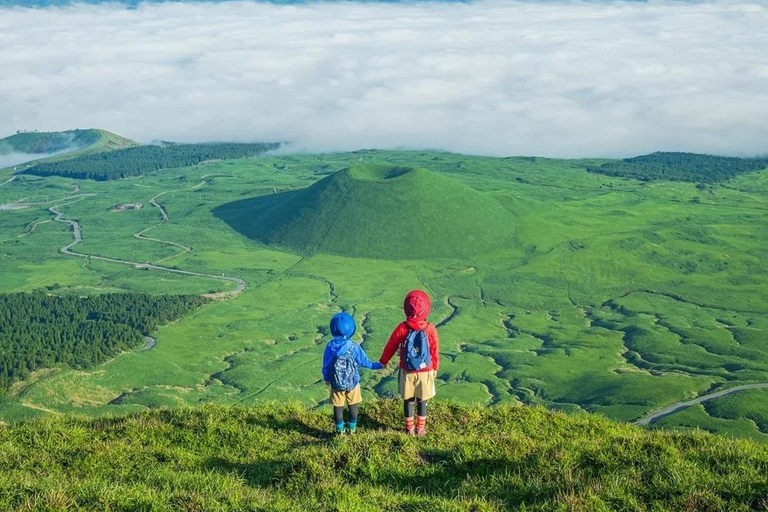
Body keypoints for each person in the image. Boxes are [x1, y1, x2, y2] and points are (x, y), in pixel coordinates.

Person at [379, 290, 439, 436]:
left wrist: (383, 361)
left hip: (407, 370)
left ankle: (409, 428)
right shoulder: (430, 328)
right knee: (422, 399)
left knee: (409, 399)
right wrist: (435, 367)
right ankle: (420, 428)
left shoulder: (402, 328)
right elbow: (434, 350)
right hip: (425, 370)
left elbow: (391, 345)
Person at [322, 312, 383, 435]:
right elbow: (365, 362)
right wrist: (378, 365)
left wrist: (327, 378)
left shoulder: (330, 347)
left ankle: (340, 432)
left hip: (336, 383)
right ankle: (352, 430)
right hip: (353, 382)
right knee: (353, 406)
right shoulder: (354, 347)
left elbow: (326, 365)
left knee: (338, 408)